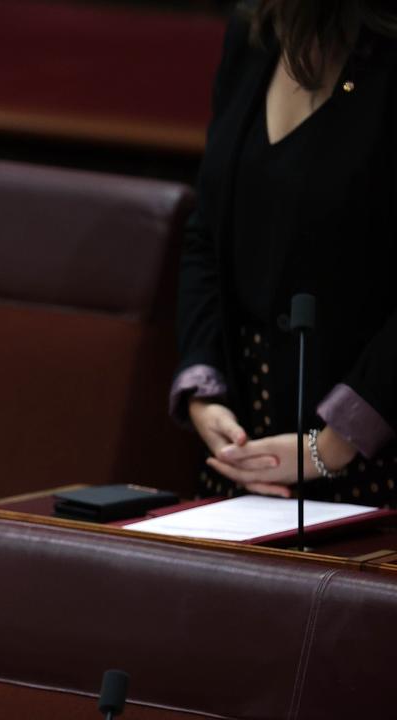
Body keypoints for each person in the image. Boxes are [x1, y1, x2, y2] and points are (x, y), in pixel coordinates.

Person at [174, 0, 397, 506]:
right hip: (238, 467)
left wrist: (332, 444)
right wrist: (204, 395)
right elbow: (207, 233)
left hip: (374, 482)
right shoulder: (256, 32)